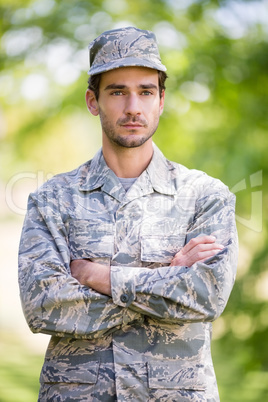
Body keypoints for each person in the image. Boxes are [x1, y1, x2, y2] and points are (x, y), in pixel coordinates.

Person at [18, 27, 238, 402]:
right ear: (93, 101)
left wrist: (95, 276)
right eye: (118, 91)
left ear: (161, 100)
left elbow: (206, 296)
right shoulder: (52, 200)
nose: (133, 107)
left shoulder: (205, 195)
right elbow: (43, 306)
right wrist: (168, 281)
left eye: (146, 91)